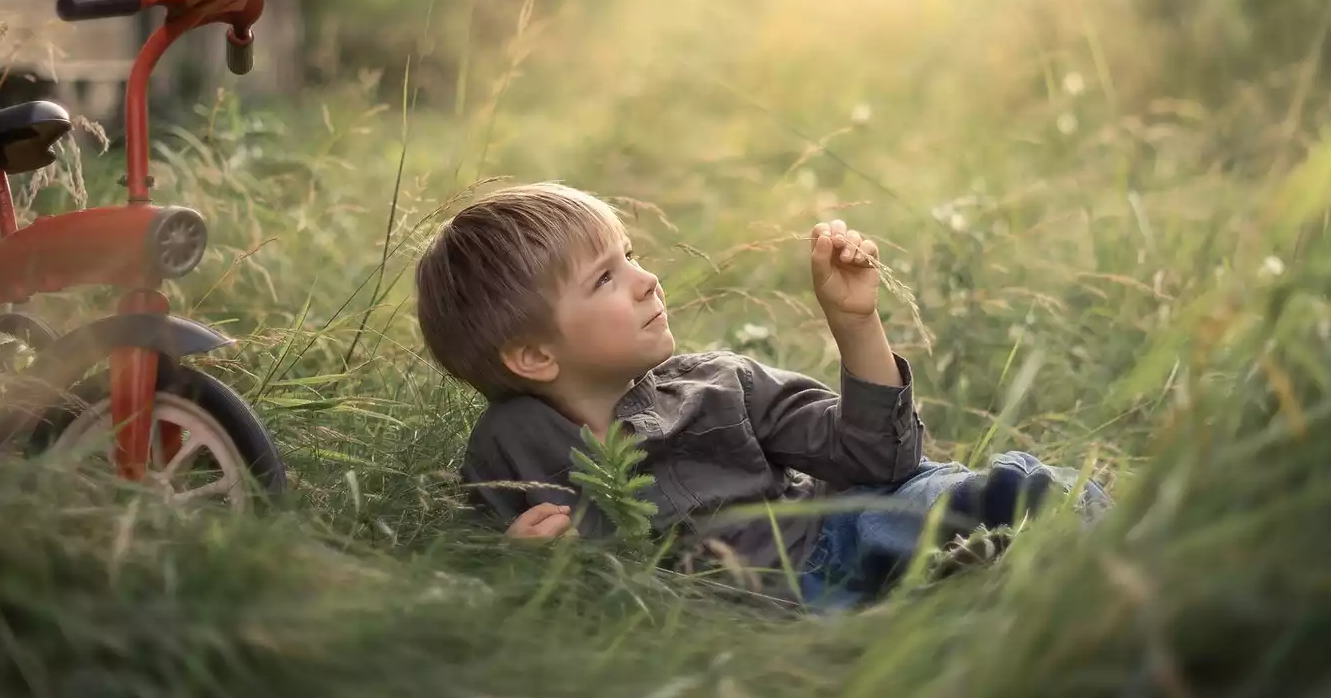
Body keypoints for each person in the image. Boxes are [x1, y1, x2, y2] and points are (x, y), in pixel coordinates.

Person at [414, 181, 1109, 609]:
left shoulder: (714, 384)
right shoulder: (510, 450)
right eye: (605, 278)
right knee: (853, 635)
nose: (646, 279)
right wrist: (519, 569)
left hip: (839, 526)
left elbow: (879, 462)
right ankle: (957, 592)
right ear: (534, 355)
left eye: (632, 255)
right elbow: (490, 574)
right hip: (756, 613)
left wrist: (855, 325)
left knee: (973, 498)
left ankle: (1103, 537)